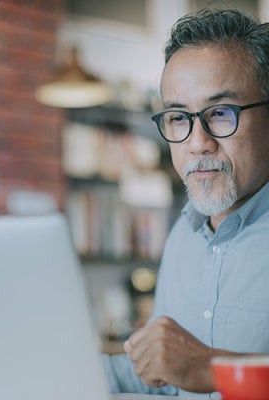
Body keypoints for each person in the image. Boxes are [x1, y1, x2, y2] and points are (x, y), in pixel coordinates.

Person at [103, 7, 269, 399]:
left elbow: (195, 367)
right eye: (179, 118)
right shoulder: (184, 235)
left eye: (222, 113)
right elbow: (164, 379)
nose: (197, 143)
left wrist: (211, 368)